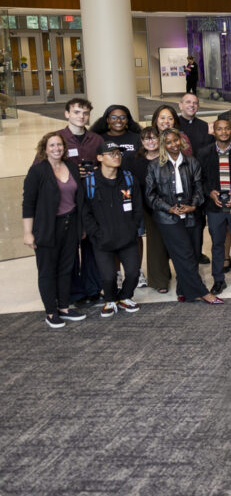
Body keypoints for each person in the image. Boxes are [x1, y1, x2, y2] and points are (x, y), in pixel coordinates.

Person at [145, 128, 223, 305]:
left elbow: (199, 187)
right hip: (168, 218)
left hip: (191, 215)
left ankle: (183, 290)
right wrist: (169, 208)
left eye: (175, 140)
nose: (173, 145)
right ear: (164, 145)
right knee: (184, 255)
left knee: (194, 255)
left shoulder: (192, 162)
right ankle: (203, 292)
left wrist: (192, 206)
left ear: (181, 141)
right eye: (169, 142)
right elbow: (150, 195)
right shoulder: (155, 165)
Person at [23, 132, 87, 328]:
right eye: (51, 145)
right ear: (44, 149)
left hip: (71, 225)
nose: (56, 148)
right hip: (47, 228)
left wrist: (81, 226)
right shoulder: (37, 171)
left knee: (66, 268)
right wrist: (28, 232)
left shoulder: (72, 167)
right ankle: (51, 312)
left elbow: (80, 199)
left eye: (59, 145)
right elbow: (28, 203)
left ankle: (64, 308)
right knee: (47, 270)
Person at [82, 142, 144, 318]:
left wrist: (132, 228)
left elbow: (138, 207)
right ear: (100, 158)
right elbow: (85, 212)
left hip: (127, 237)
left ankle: (125, 297)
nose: (116, 156)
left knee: (133, 273)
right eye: (111, 153)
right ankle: (110, 299)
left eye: (118, 153)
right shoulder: (90, 182)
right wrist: (96, 233)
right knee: (108, 277)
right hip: (102, 239)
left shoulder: (128, 178)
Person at [58, 98, 104, 304]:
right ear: (67, 114)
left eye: (85, 113)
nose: (81, 117)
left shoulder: (96, 139)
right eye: (76, 112)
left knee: (92, 247)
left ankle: (93, 289)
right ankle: (75, 292)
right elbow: (41, 169)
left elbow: (108, 164)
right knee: (70, 250)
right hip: (67, 202)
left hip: (92, 201)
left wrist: (97, 170)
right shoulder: (57, 139)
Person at [198, 119, 231, 294]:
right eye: (220, 129)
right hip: (214, 207)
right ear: (214, 132)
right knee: (217, 244)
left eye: (227, 129)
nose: (224, 132)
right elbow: (199, 180)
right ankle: (218, 280)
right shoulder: (204, 153)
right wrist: (210, 192)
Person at [128, 127, 162, 290]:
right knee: (154, 244)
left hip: (167, 206)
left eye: (154, 138)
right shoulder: (137, 161)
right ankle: (158, 280)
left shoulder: (166, 158)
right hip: (146, 208)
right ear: (142, 142)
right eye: (146, 139)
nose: (150, 141)